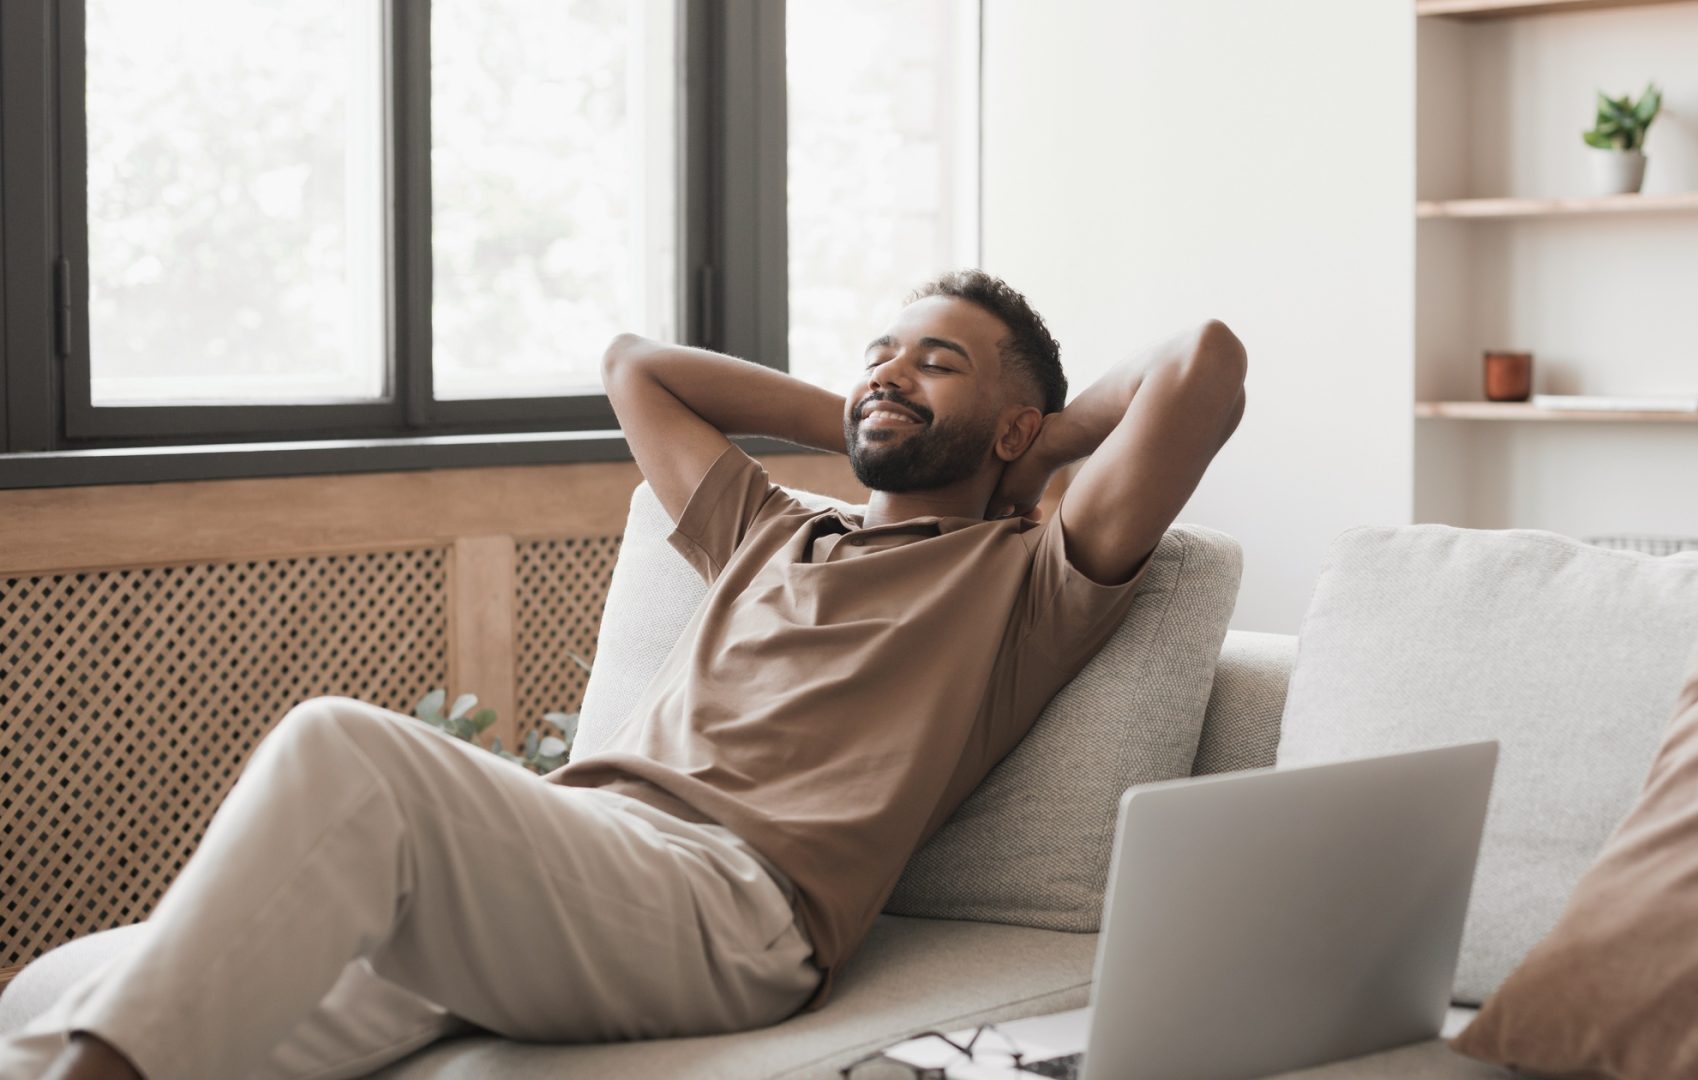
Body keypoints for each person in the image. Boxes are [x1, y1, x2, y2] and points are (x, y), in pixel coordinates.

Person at [4, 269, 1246, 1080]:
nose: (890, 371)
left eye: (939, 362)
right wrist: (871, 411)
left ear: (1019, 427)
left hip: (734, 908)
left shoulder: (1027, 576)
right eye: (881, 351)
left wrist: (1041, 445)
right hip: (582, 850)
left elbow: (1204, 359)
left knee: (343, 748)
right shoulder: (771, 528)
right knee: (64, 1006)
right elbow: (633, 363)